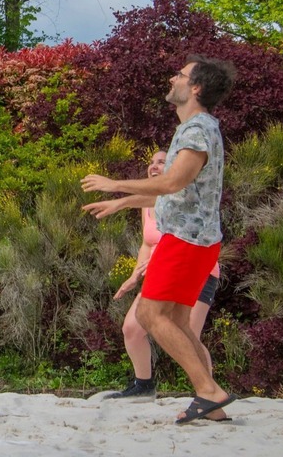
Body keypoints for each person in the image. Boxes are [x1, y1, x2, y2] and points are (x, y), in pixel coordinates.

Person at [81, 55, 237, 424]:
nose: (173, 78)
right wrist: (123, 203)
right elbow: (177, 194)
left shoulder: (196, 129)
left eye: (180, 75)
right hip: (198, 239)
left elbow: (172, 183)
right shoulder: (200, 127)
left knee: (150, 314)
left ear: (195, 88)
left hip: (185, 240)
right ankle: (212, 405)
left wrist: (115, 182)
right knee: (179, 322)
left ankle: (209, 391)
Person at [106, 150, 220, 400]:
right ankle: (144, 386)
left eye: (162, 162)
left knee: (187, 332)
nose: (154, 166)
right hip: (161, 270)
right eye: (151, 162)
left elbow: (181, 239)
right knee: (132, 328)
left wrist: (118, 192)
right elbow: (147, 244)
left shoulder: (179, 198)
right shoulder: (146, 205)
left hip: (194, 270)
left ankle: (209, 393)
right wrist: (135, 274)